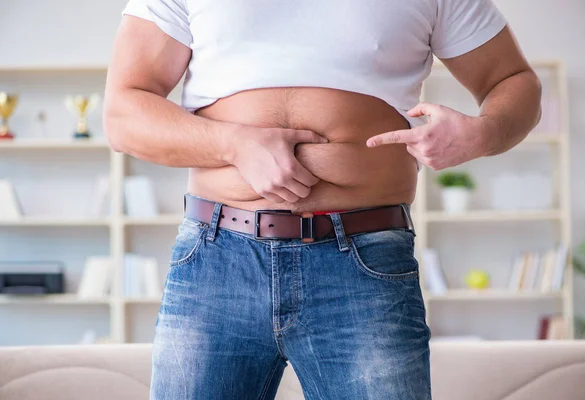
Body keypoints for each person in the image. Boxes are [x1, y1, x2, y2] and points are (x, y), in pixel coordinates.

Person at [104, 0, 541, 398]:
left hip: (363, 265)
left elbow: (514, 82)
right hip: (216, 263)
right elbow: (124, 114)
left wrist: (481, 134)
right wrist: (233, 144)